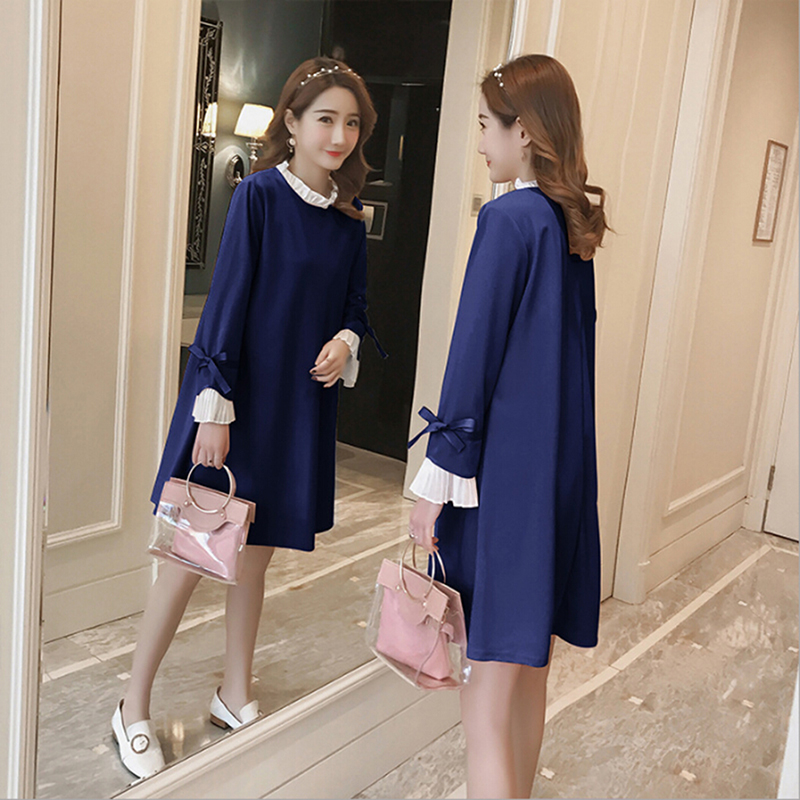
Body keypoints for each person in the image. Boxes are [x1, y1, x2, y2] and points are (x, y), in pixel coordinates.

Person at [111, 56, 383, 779]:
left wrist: (346, 340)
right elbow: (225, 306)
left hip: (295, 409)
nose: (339, 135)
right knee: (189, 562)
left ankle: (235, 691)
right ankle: (131, 704)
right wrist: (215, 408)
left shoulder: (348, 221)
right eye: (325, 119)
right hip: (234, 406)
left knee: (254, 557)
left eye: (351, 123)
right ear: (291, 122)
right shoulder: (259, 197)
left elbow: (357, 309)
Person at [407, 54, 610, 799]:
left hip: (504, 494)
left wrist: (435, 481)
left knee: (484, 707)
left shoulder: (506, 220)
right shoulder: (568, 226)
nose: (481, 143)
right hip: (557, 483)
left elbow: (473, 359)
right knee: (527, 682)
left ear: (522, 131)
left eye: (486, 127)